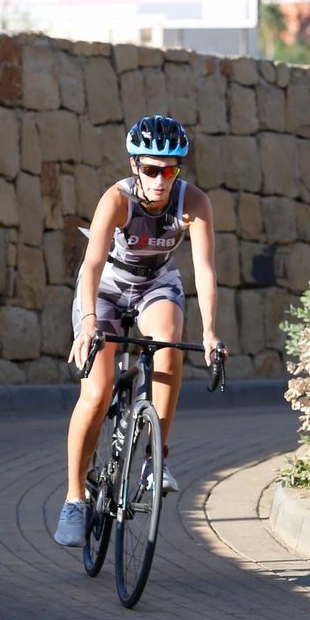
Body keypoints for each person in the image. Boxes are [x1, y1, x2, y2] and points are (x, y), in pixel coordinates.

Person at [53, 115, 223, 548]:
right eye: (151, 169)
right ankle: (74, 498)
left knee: (168, 345)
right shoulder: (117, 200)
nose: (161, 179)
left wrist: (211, 333)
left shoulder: (193, 203)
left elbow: (203, 270)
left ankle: (155, 460)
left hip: (155, 285)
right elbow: (91, 265)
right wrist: (89, 320)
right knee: (97, 390)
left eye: (170, 170)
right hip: (107, 287)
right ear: (135, 166)